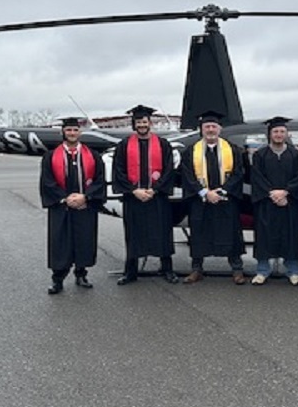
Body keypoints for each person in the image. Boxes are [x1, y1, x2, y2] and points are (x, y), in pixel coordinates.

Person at [112, 104, 179, 285]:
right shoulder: (124, 145)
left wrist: (155, 189)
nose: (142, 125)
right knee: (133, 234)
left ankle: (167, 269)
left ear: (150, 123)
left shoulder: (163, 145)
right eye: (138, 122)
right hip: (134, 198)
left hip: (157, 198)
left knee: (163, 233)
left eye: (144, 121)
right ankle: (130, 271)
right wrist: (134, 190)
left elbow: (168, 170)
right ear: (134, 124)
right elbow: (118, 171)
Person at [39, 117, 106, 294]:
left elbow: (99, 180)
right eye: (68, 130)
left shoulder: (93, 156)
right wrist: (65, 198)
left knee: (84, 240)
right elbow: (47, 182)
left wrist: (86, 197)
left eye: (75, 130)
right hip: (61, 206)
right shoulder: (51, 156)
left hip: (85, 205)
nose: (72, 133)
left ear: (80, 132)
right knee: (60, 242)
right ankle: (58, 279)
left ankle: (81, 274)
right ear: (63, 132)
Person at [179, 110, 247, 284]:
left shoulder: (232, 149)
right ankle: (197, 269)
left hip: (226, 199)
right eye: (207, 126)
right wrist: (205, 193)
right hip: (200, 200)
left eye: (213, 126)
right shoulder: (190, 151)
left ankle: (237, 269)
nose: (210, 129)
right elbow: (187, 176)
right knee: (199, 234)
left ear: (220, 128)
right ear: (201, 130)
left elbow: (239, 173)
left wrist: (223, 191)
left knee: (231, 233)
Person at [249, 116, 298, 286]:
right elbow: (257, 177)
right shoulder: (260, 155)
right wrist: (272, 193)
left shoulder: (296, 154)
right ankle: (262, 271)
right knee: (264, 236)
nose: (279, 134)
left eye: (282, 131)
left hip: (290, 202)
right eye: (275, 131)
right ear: (270, 133)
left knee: (291, 237)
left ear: (287, 134)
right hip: (266, 202)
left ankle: (294, 271)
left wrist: (286, 192)